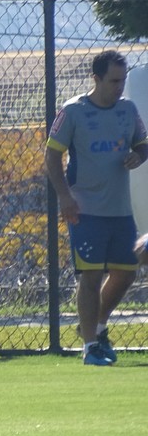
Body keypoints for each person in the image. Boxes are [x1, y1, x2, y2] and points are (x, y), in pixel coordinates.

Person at [45, 49, 148, 366]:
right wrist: (65, 197)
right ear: (96, 78)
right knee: (91, 275)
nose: (120, 86)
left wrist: (138, 156)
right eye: (114, 81)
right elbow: (52, 156)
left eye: (123, 80)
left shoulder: (128, 110)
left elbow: (143, 143)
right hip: (85, 209)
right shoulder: (73, 111)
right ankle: (90, 347)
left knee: (126, 273)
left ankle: (95, 328)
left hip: (120, 210)